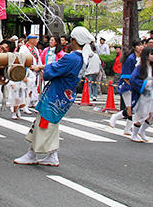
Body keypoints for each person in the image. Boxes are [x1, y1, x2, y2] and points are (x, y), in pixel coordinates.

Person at [13, 26, 94, 167]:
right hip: (65, 95)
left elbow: (52, 72)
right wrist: (42, 67)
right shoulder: (82, 58)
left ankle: (32, 153)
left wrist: (41, 69)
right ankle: (52, 154)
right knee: (52, 124)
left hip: (55, 95)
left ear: (74, 40)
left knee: (43, 123)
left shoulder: (71, 58)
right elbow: (56, 67)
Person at [109, 40, 143, 134]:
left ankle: (127, 129)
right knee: (130, 109)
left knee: (132, 109)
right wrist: (132, 85)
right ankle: (115, 117)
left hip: (135, 86)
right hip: (127, 86)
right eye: (139, 45)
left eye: (142, 45)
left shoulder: (140, 58)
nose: (141, 47)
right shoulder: (130, 59)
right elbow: (125, 76)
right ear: (134, 47)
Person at [129, 47, 153, 142]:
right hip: (142, 96)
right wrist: (144, 84)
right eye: (152, 54)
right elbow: (133, 80)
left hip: (151, 95)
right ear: (146, 55)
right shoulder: (140, 67)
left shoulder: (152, 67)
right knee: (142, 115)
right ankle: (134, 134)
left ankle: (142, 131)